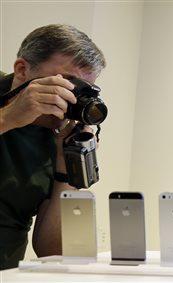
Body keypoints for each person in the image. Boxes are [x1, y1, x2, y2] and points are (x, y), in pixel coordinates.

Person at [0, 24, 106, 269]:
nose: (70, 97)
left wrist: (66, 165)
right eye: (66, 83)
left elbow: (55, 252)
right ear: (22, 70)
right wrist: (9, 117)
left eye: (82, 89)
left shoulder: (60, 134)